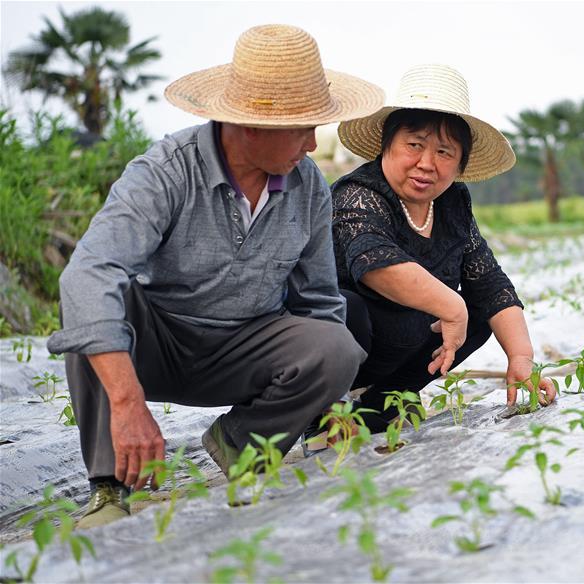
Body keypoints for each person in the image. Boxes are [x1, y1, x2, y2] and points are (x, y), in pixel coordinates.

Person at [46, 24, 384, 528]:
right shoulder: (166, 171)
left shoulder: (308, 186)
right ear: (249, 125)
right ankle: (108, 489)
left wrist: (333, 403)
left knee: (336, 345)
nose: (313, 144)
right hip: (157, 343)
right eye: (301, 128)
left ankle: (239, 445)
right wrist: (127, 400)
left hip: (243, 350)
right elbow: (88, 274)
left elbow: (317, 299)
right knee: (92, 299)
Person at [331, 64, 556, 432]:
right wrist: (451, 307)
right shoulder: (357, 194)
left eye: (444, 152)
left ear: (461, 163)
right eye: (414, 145)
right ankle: (325, 414)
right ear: (386, 145)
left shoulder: (452, 202)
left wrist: (521, 359)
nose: (426, 164)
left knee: (481, 310)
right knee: (346, 308)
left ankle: (383, 402)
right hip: (344, 347)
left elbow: (490, 283)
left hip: (401, 346)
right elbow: (374, 264)